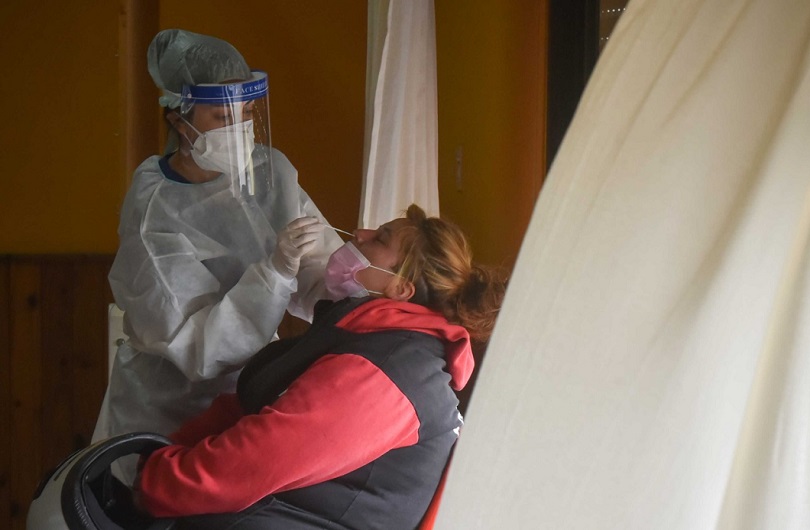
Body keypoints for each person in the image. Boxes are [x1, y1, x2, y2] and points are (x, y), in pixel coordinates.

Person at [133, 204, 507, 530]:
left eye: (380, 238)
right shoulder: (362, 335)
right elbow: (254, 401)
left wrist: (156, 480)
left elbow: (259, 459)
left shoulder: (391, 371)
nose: (360, 233)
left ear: (399, 289)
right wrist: (169, 454)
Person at [93, 28, 342, 477]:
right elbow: (201, 349)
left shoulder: (270, 171)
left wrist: (361, 283)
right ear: (179, 119)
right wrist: (274, 273)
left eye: (247, 112)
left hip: (253, 397)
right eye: (223, 116)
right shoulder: (155, 211)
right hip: (169, 413)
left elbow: (320, 267)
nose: (241, 129)